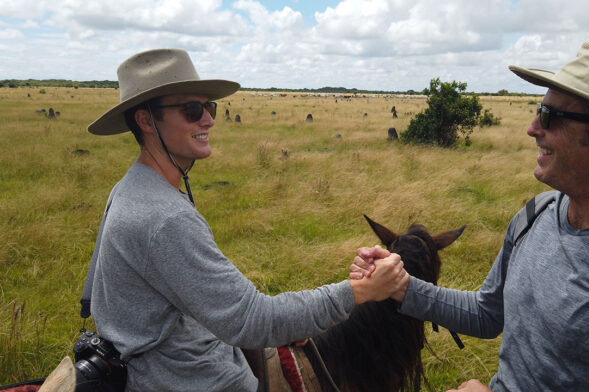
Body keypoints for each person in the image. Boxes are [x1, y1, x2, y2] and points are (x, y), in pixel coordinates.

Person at [352, 38, 589, 391]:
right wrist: (400, 286)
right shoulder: (536, 216)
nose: (532, 128)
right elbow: (488, 313)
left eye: (550, 116)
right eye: (537, 109)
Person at [86, 48, 408, 392]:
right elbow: (253, 319)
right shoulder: (164, 217)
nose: (208, 120)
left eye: (209, 108)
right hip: (189, 379)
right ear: (146, 121)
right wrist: (360, 290)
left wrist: (290, 325)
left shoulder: (131, 187)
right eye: (192, 110)